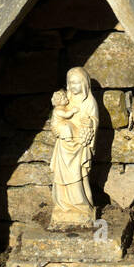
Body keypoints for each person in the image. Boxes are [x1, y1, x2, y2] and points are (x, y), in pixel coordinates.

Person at [49, 66, 99, 225]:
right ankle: (63, 205)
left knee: (77, 174)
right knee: (62, 175)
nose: (73, 86)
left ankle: (81, 205)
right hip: (64, 145)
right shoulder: (66, 99)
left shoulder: (90, 102)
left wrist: (91, 123)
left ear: (84, 84)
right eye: (70, 83)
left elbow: (94, 121)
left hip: (78, 146)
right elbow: (56, 118)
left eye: (77, 83)